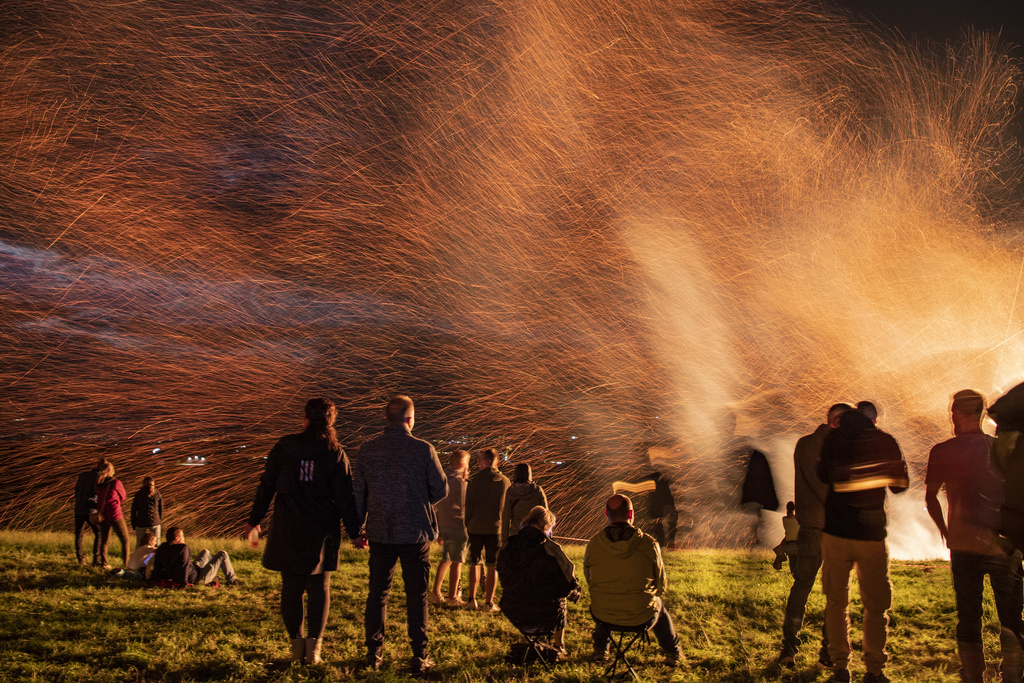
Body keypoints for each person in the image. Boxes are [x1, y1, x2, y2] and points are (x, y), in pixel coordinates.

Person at [244, 397, 362, 666]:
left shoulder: (285, 446)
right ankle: (315, 650)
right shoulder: (334, 451)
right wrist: (355, 532)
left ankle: (296, 647)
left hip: (288, 523)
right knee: (319, 587)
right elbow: (345, 496)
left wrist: (254, 519)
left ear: (305, 419)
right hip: (320, 527)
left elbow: (266, 485)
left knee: (291, 586)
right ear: (331, 421)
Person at [925, 390, 1023, 682]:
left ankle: (972, 675)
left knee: (968, 617)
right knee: (1010, 617)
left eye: (953, 413)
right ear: (981, 414)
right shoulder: (1000, 448)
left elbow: (930, 498)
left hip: (962, 545)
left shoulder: (942, 451)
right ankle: (1014, 674)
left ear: (957, 413)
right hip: (1002, 547)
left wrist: (945, 531)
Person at [354, 395, 448, 675]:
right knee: (416, 595)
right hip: (416, 532)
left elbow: (358, 494)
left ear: (387, 418)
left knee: (378, 593)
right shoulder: (423, 449)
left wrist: (357, 529)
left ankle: (374, 655)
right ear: (410, 419)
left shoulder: (368, 449)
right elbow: (441, 489)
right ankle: (419, 656)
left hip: (380, 532)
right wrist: (421, 499)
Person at [818, 407, 908, 683]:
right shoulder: (885, 441)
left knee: (835, 602)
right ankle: (874, 669)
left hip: (835, 533)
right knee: (876, 605)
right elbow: (900, 486)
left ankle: (840, 667)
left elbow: (823, 476)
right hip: (870, 534)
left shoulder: (834, 440)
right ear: (873, 421)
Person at [777, 402, 851, 669]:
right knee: (836, 597)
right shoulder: (841, 449)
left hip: (808, 530)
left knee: (800, 590)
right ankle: (827, 656)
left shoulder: (804, 444)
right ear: (837, 422)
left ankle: (788, 649)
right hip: (835, 532)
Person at [584, 494, 682, 666]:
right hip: (641, 616)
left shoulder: (594, 544)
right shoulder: (649, 544)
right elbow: (660, 585)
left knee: (606, 599)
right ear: (631, 515)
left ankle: (600, 650)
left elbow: (590, 580)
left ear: (606, 514)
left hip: (603, 615)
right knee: (658, 605)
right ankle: (672, 654)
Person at [498, 505, 580, 654]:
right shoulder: (551, 548)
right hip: (544, 614)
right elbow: (567, 581)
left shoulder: (509, 545)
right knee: (562, 599)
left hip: (514, 611)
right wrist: (575, 588)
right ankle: (559, 645)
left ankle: (532, 640)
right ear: (546, 525)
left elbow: (503, 575)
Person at [465, 447, 510, 611]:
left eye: (479, 461)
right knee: (492, 566)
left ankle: (471, 599)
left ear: (487, 461)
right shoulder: (504, 481)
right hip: (495, 529)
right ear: (496, 461)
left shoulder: (474, 480)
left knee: (474, 563)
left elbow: (468, 506)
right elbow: (505, 507)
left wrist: (467, 523)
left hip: (475, 528)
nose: (477, 464)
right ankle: (489, 603)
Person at [431, 450, 470, 605]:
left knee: (445, 559)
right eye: (467, 464)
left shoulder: (442, 478)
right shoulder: (460, 483)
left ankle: (435, 593)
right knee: (457, 561)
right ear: (462, 464)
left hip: (444, 525)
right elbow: (464, 506)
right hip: (458, 526)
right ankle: (453, 597)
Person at [147, 527, 238, 586]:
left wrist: (154, 579)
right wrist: (184, 583)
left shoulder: (162, 547)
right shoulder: (183, 548)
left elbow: (157, 566)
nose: (184, 538)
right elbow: (184, 566)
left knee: (205, 552)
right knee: (223, 554)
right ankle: (232, 580)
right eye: (183, 536)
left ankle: (214, 575)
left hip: (193, 570)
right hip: (197, 578)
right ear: (177, 538)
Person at [95, 461, 130, 569]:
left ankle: (104, 563)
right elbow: (123, 496)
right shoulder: (116, 483)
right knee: (125, 540)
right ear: (111, 471)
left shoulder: (98, 483)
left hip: (103, 515)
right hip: (115, 514)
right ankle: (126, 563)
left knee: (104, 541)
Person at [501, 463, 547, 545]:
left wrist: (504, 539)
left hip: (516, 534)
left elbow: (506, 516)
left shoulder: (511, 491)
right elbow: (545, 514)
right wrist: (546, 535)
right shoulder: (538, 490)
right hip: (534, 534)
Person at [73, 458, 104, 566]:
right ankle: (96, 559)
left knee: (79, 535)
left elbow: (76, 492)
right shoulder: (99, 477)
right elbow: (99, 494)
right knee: (99, 532)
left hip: (79, 508)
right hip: (91, 510)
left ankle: (80, 558)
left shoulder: (83, 475)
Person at [130, 476, 163, 548]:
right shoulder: (157, 494)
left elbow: (134, 510)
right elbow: (160, 509)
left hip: (142, 522)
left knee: (139, 544)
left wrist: (134, 523)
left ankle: (139, 558)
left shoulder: (139, 494)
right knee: (157, 543)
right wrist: (159, 519)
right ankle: (156, 558)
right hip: (153, 521)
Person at [772, 501, 799, 571]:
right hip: (797, 541)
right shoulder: (798, 519)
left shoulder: (784, 519)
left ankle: (778, 559)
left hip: (788, 541)